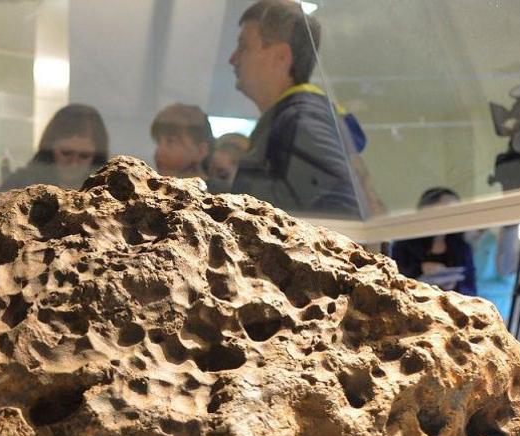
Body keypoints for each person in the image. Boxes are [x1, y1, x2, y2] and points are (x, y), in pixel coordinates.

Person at [227, 0, 359, 216]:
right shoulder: (293, 119)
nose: (233, 59)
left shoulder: (301, 119)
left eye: (244, 46)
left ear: (281, 57)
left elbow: (343, 212)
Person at [389, 187, 477, 296]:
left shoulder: (462, 247)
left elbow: (472, 289)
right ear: (428, 211)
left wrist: (454, 287)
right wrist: (420, 269)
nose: (452, 216)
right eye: (447, 210)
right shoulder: (404, 243)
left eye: (456, 211)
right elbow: (392, 280)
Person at [2, 104, 110, 190]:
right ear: (50, 149)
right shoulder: (19, 186)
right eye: (66, 153)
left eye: (84, 156)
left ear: (96, 156)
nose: (74, 163)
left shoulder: (111, 192)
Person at [150, 103, 213, 181]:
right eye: (158, 141)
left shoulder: (217, 191)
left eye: (171, 141)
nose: (159, 151)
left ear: (200, 151)